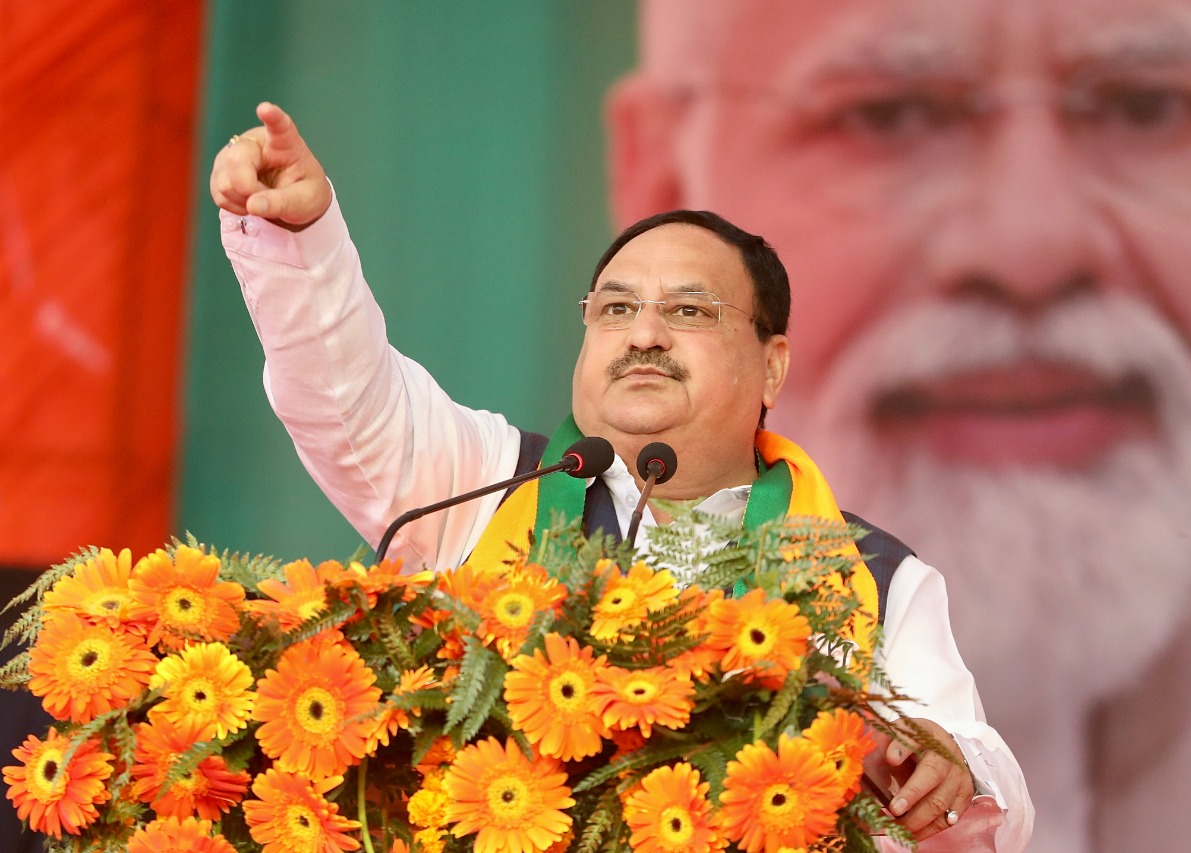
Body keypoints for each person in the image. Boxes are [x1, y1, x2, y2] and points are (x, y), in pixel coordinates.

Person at [210, 102, 1033, 849]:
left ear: (771, 366)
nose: (644, 333)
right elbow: (341, 393)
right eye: (613, 307)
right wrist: (302, 236)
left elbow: (975, 764)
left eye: (689, 310)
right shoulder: (491, 484)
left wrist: (949, 760)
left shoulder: (874, 575)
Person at [605, 1, 1191, 851]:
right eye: (891, 113)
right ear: (665, 186)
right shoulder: (555, 623)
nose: (1030, 247)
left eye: (1149, 105)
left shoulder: (901, 587)